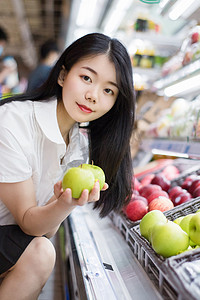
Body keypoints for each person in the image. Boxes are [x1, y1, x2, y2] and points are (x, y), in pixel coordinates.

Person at [0, 32, 135, 299]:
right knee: (40, 254)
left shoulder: (78, 146)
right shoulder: (13, 122)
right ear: (62, 76)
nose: (93, 95)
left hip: (10, 240)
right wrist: (66, 204)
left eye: (108, 90)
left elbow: (45, 230)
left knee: (40, 250)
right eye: (86, 78)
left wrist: (66, 201)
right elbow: (29, 223)